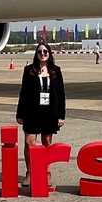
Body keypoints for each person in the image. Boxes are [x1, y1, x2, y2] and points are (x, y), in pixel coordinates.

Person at [15, 43, 66, 177]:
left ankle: (45, 171)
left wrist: (61, 115)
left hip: (49, 112)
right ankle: (30, 172)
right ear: (36, 55)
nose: (42, 54)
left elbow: (61, 94)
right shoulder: (29, 70)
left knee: (47, 142)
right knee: (29, 142)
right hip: (32, 111)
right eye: (39, 52)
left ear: (49, 54)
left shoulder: (56, 70)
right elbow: (24, 93)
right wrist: (20, 113)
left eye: (45, 51)